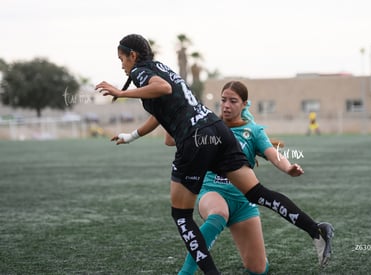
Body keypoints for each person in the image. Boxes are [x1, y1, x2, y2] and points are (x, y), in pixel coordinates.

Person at [95, 34, 334, 274]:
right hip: (215, 128)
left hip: (195, 139)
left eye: (122, 59)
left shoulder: (140, 72)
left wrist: (121, 92)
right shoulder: (161, 67)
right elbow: (164, 106)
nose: (122, 65)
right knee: (257, 192)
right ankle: (316, 230)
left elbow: (162, 88)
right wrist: (132, 135)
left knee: (181, 215)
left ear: (133, 56)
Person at [176, 81, 305, 274]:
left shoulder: (253, 132)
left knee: (258, 270)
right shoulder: (209, 126)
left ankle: (259, 261)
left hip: (244, 202)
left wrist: (288, 168)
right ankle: (185, 272)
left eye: (233, 101)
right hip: (212, 192)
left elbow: (272, 153)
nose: (226, 105)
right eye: (223, 100)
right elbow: (171, 140)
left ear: (244, 104)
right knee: (218, 213)